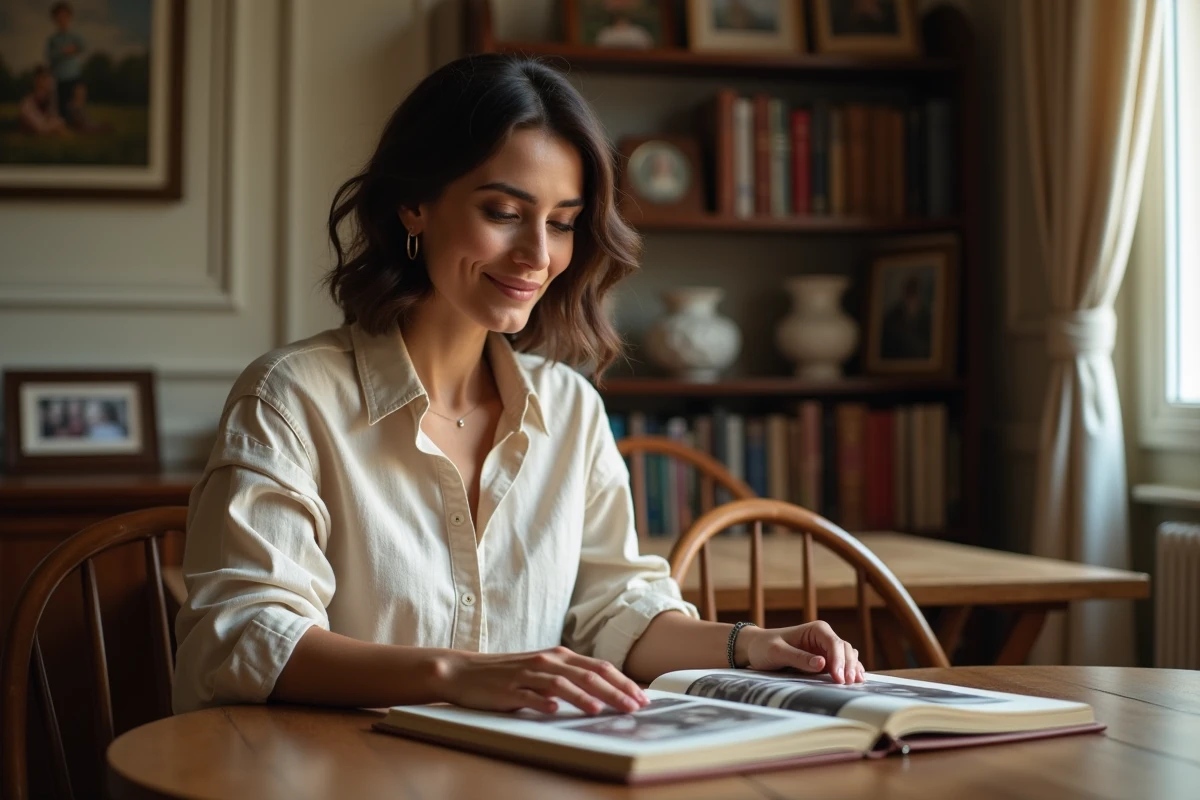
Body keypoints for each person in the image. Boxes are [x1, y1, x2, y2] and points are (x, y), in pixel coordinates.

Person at [172, 53, 864, 716]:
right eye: (504, 212)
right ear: (415, 205)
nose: (539, 255)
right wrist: (458, 676)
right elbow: (244, 637)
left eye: (562, 223)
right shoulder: (291, 398)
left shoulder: (570, 408)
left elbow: (617, 611)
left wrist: (751, 644)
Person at [46, 1, 86, 120]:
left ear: (69, 17)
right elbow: (50, 56)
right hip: (60, 79)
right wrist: (63, 51)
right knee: (63, 113)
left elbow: (82, 46)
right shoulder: (53, 39)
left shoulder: (74, 36)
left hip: (74, 75)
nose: (62, 19)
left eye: (65, 16)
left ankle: (80, 120)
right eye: (59, 16)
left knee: (77, 103)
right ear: (54, 19)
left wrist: (73, 49)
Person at [881, 273, 933, 360]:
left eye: (914, 290)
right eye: (910, 290)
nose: (912, 295)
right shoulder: (893, 314)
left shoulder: (926, 314)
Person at [18, 65, 68, 135]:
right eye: (45, 79)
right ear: (36, 82)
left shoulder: (48, 102)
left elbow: (59, 121)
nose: (49, 84)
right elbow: (40, 128)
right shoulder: (27, 105)